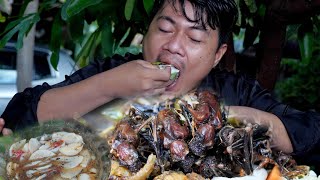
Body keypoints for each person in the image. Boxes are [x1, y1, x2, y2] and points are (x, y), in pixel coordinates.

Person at [1, 0, 319, 167]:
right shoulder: (114, 71)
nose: (174, 46)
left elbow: (308, 132)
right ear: (148, 29)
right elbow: (20, 116)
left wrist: (228, 116)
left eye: (194, 37)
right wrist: (110, 85)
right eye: (165, 28)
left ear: (218, 54)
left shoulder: (235, 89)